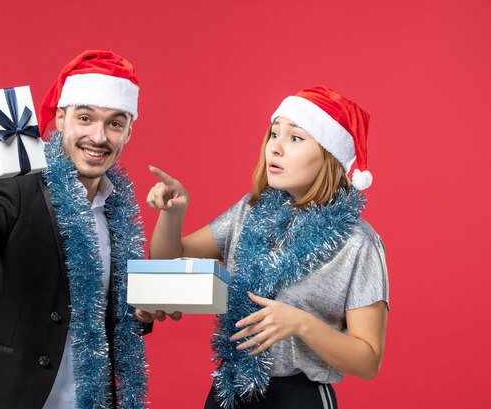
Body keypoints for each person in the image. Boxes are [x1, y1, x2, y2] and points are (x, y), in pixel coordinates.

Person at [0, 50, 178, 409]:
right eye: (85, 118)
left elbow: (105, 314)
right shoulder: (20, 184)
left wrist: (138, 312)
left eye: (115, 123)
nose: (99, 136)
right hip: (12, 395)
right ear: (60, 118)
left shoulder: (118, 210)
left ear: (128, 132)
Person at [146, 86, 389, 409]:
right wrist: (173, 214)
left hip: (299, 398)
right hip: (229, 392)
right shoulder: (249, 212)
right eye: (274, 134)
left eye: (296, 138)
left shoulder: (358, 243)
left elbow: (368, 360)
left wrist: (300, 323)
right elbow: (167, 261)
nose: (275, 148)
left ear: (330, 154)